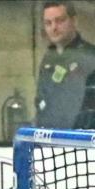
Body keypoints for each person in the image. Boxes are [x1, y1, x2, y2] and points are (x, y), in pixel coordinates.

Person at [35, 1, 95, 129]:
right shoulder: (48, 60)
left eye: (59, 21)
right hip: (49, 143)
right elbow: (41, 103)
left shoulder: (90, 57)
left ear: (74, 21)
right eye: (48, 23)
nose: (54, 27)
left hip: (82, 143)